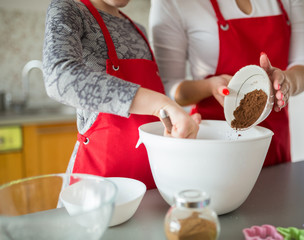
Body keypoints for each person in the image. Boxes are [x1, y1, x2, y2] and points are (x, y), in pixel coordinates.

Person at [42, 0, 199, 189]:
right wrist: (160, 104)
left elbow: (151, 110)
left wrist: (174, 125)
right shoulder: (70, 10)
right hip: (97, 185)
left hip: (152, 180)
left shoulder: (138, 29)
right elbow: (59, 78)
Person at [149, 0, 304, 166]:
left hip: (274, 141)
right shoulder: (173, 3)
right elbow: (170, 86)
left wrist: (287, 83)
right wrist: (209, 86)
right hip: (212, 143)